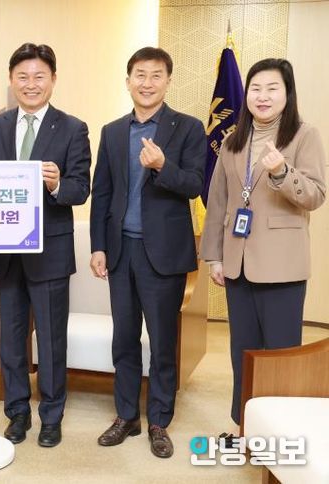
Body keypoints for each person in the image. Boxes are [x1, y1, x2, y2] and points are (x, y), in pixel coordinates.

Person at [90, 47, 206, 458]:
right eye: (140, 75)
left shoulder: (188, 128)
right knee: (124, 339)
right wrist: (98, 246)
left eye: (156, 75)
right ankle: (126, 416)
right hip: (121, 251)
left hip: (165, 255)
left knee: (162, 342)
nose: (147, 83)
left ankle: (159, 421)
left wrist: (161, 166)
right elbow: (102, 192)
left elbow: (195, 184)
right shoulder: (112, 131)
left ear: (168, 82)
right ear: (128, 81)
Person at [200, 58, 326, 428]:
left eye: (272, 88)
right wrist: (214, 257)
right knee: (242, 352)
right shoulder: (232, 140)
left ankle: (280, 430)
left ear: (287, 93)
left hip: (282, 266)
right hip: (237, 263)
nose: (263, 96)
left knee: (281, 355)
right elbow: (219, 201)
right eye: (255, 88)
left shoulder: (304, 136)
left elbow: (316, 195)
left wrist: (282, 172)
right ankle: (244, 426)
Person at [0, 43, 91, 448]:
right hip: (7, 252)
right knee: (11, 340)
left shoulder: (73, 128)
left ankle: (51, 415)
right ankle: (17, 413)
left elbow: (81, 188)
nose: (31, 84)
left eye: (39, 76)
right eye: (22, 77)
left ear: (53, 80)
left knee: (50, 339)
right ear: (11, 80)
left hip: (50, 252)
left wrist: (57, 184)